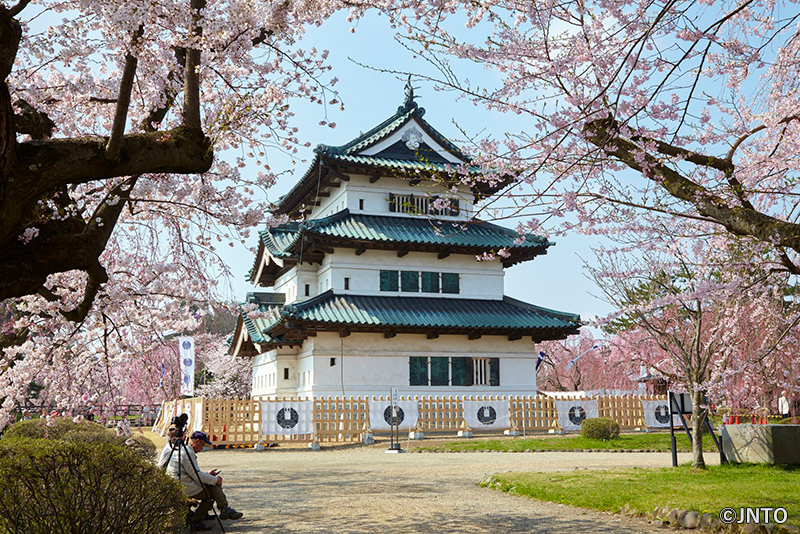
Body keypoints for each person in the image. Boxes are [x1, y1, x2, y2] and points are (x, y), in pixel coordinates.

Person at [164, 430, 243, 531]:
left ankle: (223, 509)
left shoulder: (186, 450)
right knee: (212, 490)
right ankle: (202, 517)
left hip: (185, 482)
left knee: (212, 484)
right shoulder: (186, 453)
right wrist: (214, 479)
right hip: (183, 485)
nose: (202, 448)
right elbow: (197, 475)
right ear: (196, 441)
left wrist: (209, 476)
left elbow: (194, 473)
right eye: (202, 444)